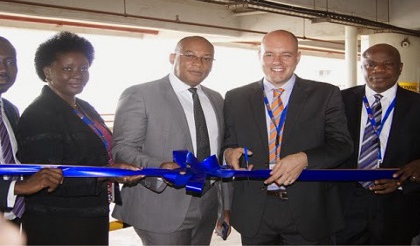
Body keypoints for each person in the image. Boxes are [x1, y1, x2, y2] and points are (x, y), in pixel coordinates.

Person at [222, 29, 353, 245]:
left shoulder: (325, 94)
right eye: (269, 54)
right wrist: (228, 153)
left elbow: (342, 145)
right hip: (256, 211)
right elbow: (227, 144)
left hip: (309, 209)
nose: (277, 62)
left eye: (286, 54)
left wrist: (305, 158)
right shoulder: (236, 97)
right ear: (259, 56)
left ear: (298, 57)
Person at [16, 31, 142, 245]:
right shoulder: (40, 114)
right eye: (67, 68)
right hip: (59, 222)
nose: (78, 74)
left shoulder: (83, 107)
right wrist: (105, 174)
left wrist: (114, 171)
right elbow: (49, 179)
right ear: (47, 72)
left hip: (90, 214)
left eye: (83, 68)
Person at [111, 36, 231, 245]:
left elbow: (219, 154)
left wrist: (225, 206)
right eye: (190, 55)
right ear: (172, 57)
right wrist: (160, 167)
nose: (198, 63)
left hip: (208, 203)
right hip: (161, 204)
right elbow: (123, 148)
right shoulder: (140, 94)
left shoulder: (216, 98)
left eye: (206, 58)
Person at [336, 43, 420, 245]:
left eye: (387, 64)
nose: (378, 70)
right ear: (362, 67)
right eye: (370, 64)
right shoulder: (338, 101)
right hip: (344, 207)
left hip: (397, 211)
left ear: (400, 67)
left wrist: (403, 182)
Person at [0, 36, 63, 226]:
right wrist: (17, 187)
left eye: (10, 62)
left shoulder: (10, 110)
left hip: (11, 218)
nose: (3, 69)